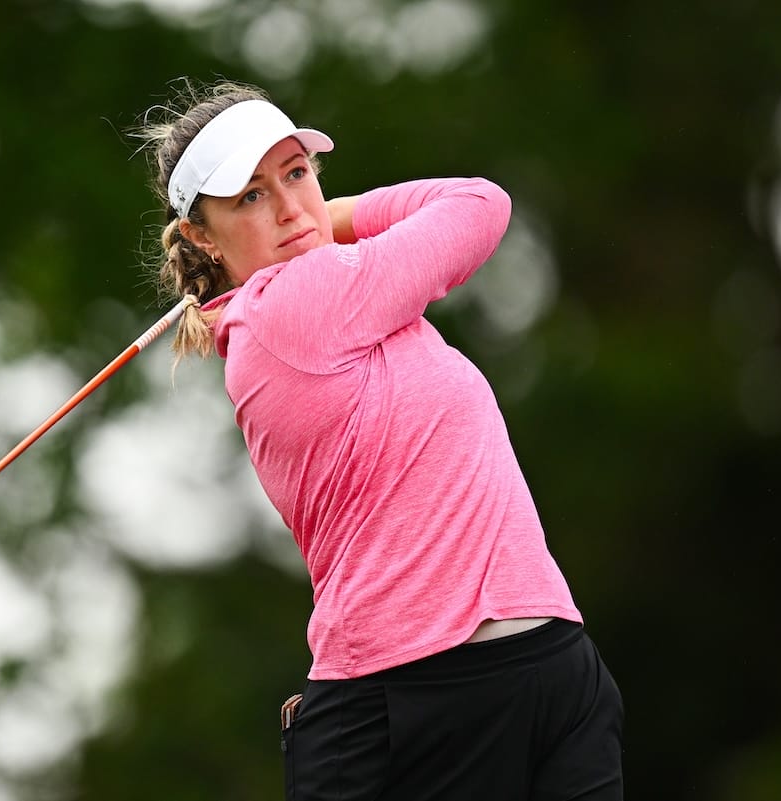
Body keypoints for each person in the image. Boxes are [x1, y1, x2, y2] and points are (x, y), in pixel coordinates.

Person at [136, 79, 624, 800]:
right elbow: (479, 206)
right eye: (251, 196)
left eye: (296, 174)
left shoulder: (352, 308)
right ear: (201, 236)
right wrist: (339, 216)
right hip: (414, 702)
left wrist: (317, 221)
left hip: (549, 667)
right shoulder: (290, 304)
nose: (289, 208)